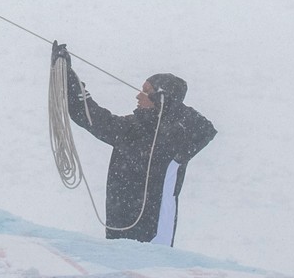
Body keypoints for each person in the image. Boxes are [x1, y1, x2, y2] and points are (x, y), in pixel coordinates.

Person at [53, 43, 216, 246]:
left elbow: (205, 129)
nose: (138, 96)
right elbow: (87, 114)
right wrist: (67, 76)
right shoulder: (130, 129)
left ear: (162, 98)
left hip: (156, 235)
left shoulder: (177, 136)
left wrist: (169, 106)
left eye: (147, 92)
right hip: (119, 231)